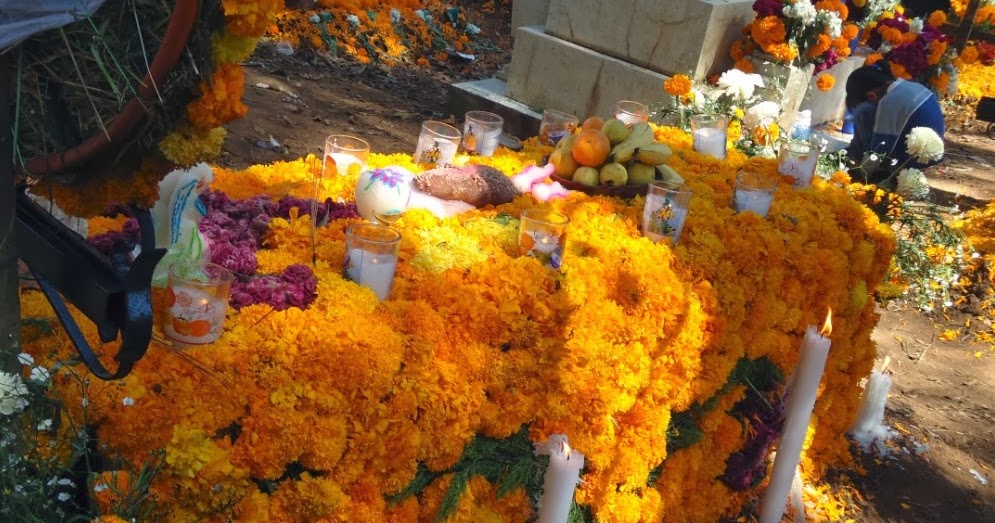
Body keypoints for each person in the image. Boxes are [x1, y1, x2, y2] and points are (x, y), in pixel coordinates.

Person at [844, 64, 945, 180]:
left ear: (871, 96)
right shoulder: (911, 85)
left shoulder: (889, 102)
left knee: (863, 111)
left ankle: (856, 156)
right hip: (932, 155)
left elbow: (879, 151)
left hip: (912, 165)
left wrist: (859, 175)